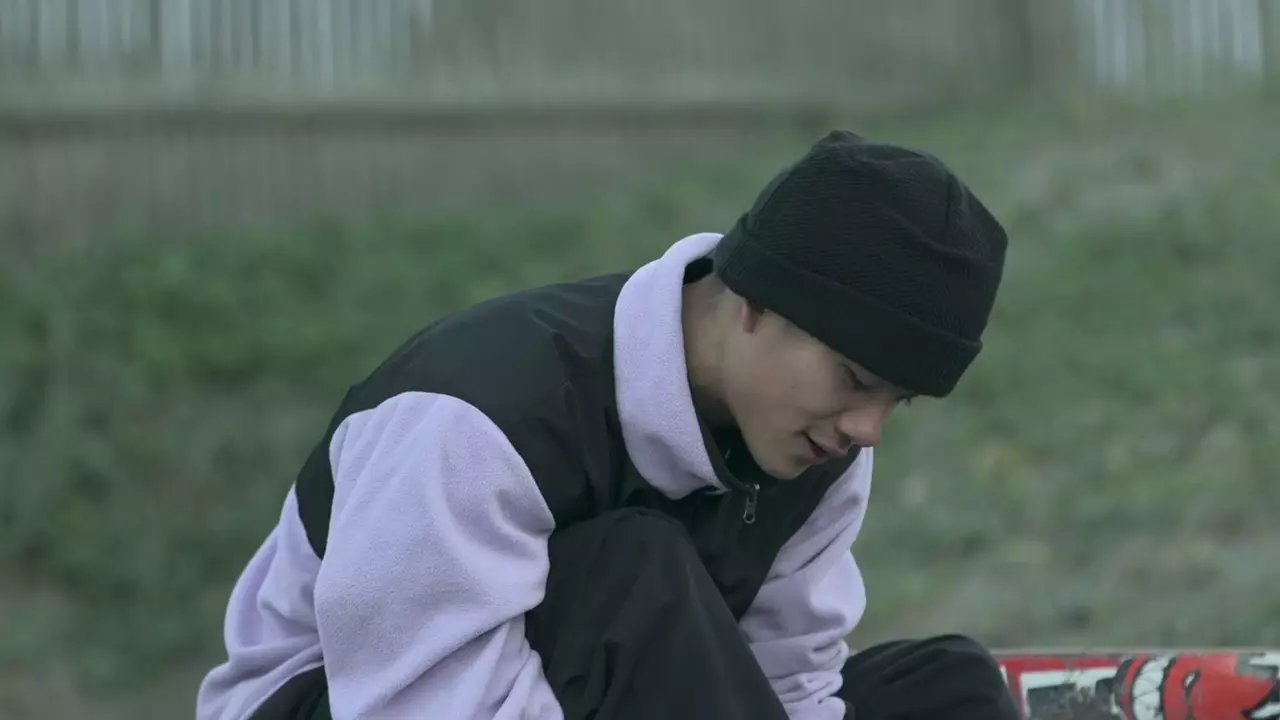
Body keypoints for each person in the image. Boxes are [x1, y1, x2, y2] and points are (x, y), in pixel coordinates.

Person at [196, 129, 1020, 720]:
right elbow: (414, 700)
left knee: (947, 689)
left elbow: (790, 684)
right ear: (759, 302)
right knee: (636, 579)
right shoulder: (474, 418)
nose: (868, 429)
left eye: (897, 401)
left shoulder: (821, 448)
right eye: (857, 381)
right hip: (356, 699)